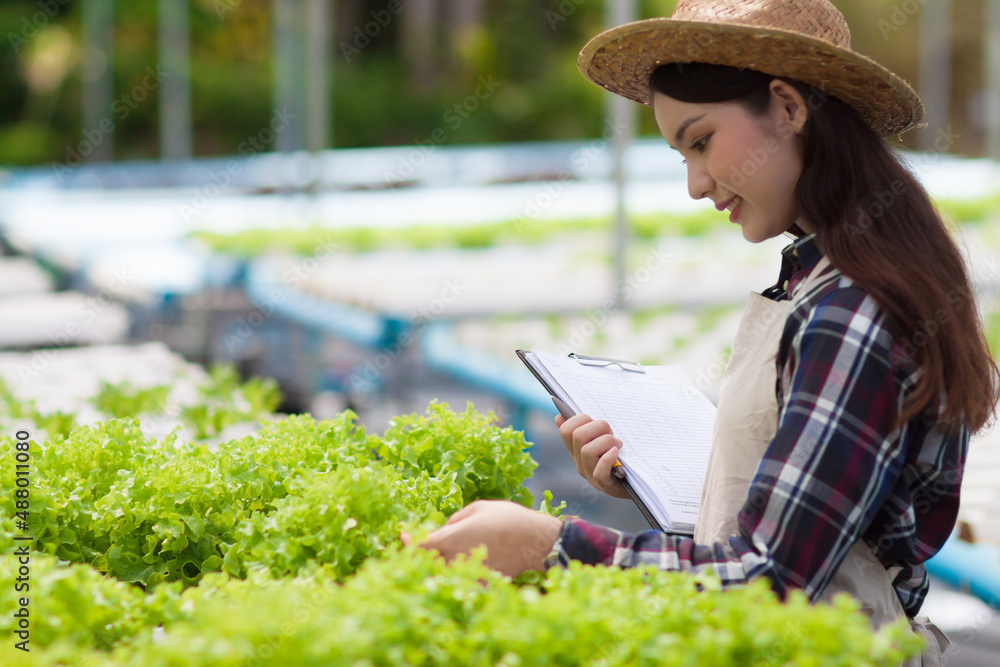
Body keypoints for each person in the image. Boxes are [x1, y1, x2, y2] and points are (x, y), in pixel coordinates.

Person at [411, 0, 999, 663]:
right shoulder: (827, 280)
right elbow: (799, 525)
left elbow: (768, 583)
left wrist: (550, 543)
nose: (695, 184)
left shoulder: (852, 311)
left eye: (701, 141)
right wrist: (647, 478)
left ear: (787, 107)